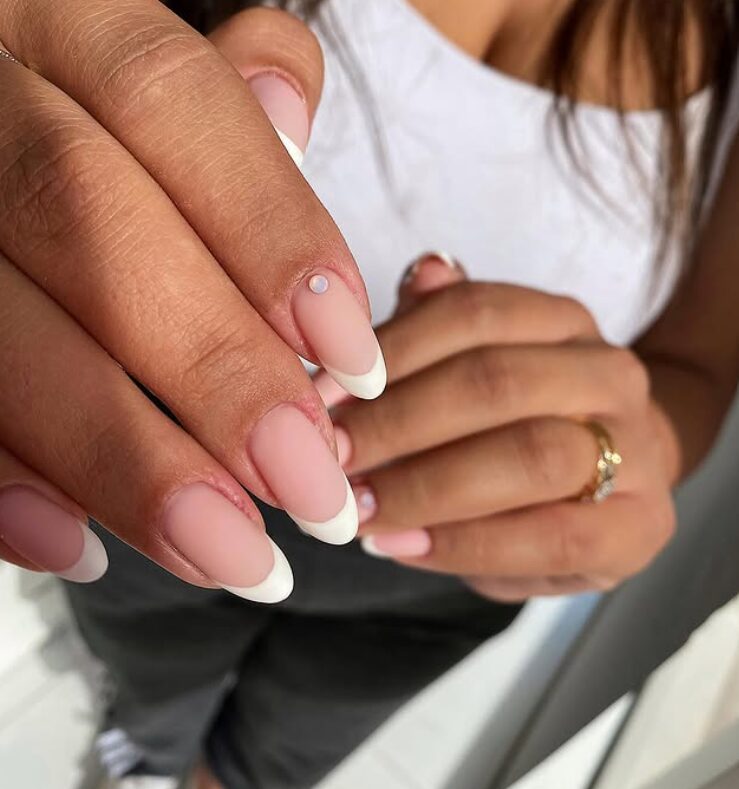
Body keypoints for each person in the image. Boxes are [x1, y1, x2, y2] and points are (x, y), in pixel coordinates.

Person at [1, 0, 739, 787]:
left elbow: (694, 365)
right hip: (170, 469)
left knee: (283, 748)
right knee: (151, 674)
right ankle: (145, 753)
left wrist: (627, 453)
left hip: (436, 566)